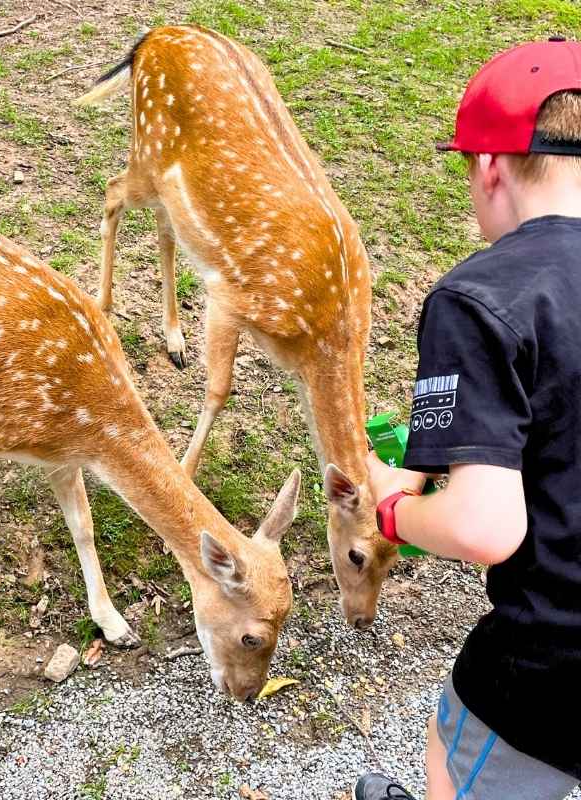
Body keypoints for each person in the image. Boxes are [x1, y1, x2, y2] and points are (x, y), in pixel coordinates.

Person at [354, 38, 581, 800]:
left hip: (555, 664)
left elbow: (486, 528)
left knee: (452, 753)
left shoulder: (480, 298)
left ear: (489, 166)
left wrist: (393, 511)